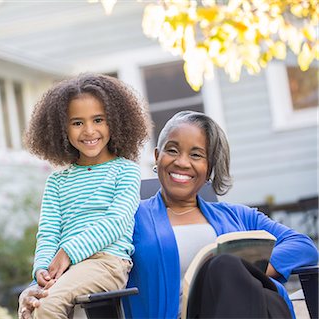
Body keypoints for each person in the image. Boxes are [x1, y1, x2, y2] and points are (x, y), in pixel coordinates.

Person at [19, 110, 318, 319]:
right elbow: (89, 259)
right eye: (172, 150)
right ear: (157, 157)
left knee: (229, 269)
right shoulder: (128, 219)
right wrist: (38, 287)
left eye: (197, 155)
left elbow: (303, 246)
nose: (182, 163)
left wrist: (249, 272)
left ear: (209, 167)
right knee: (226, 266)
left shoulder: (238, 217)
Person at [22, 73, 149, 319]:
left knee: (46, 305)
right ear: (62, 129)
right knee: (29, 305)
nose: (89, 130)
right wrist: (41, 270)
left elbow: (116, 222)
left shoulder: (125, 171)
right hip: (66, 268)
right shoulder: (58, 181)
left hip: (106, 263)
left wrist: (69, 252)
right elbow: (49, 232)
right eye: (77, 123)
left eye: (98, 119)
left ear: (115, 121)